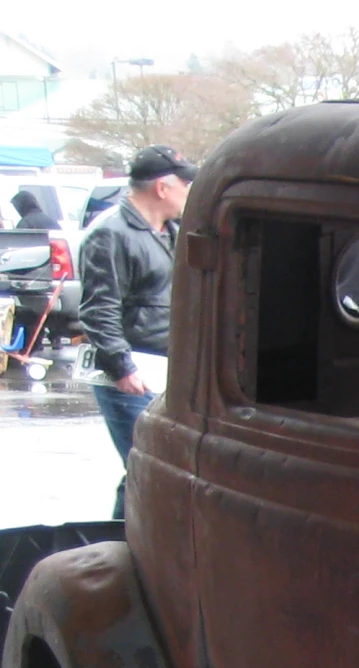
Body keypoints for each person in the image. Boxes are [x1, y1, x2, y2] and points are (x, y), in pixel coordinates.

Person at [79, 145, 195, 519]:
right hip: (132, 373)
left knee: (152, 468)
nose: (190, 193)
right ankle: (117, 545)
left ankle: (122, 542)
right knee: (147, 466)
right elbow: (100, 307)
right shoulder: (110, 234)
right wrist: (121, 367)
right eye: (185, 185)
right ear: (162, 188)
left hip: (166, 367)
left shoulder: (172, 231)